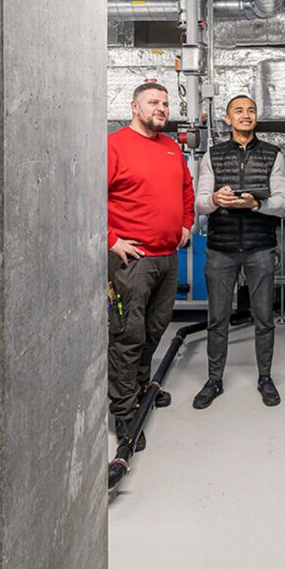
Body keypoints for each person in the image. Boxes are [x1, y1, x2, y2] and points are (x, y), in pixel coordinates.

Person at [107, 82, 193, 449]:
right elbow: (85, 194)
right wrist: (111, 240)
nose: (161, 108)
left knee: (155, 329)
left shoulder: (171, 148)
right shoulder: (114, 146)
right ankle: (125, 414)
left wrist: (187, 224)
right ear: (134, 106)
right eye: (153, 102)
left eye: (165, 103)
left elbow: (186, 190)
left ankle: (141, 386)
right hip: (133, 262)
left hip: (168, 259)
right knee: (128, 337)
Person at [192, 95, 285, 409]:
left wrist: (256, 204)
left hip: (260, 248)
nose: (246, 115)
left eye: (251, 110)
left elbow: (282, 202)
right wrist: (216, 199)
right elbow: (200, 202)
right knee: (217, 319)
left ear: (256, 118)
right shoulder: (213, 155)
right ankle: (214, 380)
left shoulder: (273, 154)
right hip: (221, 249)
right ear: (227, 119)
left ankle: (265, 378)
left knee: (264, 318)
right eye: (239, 111)